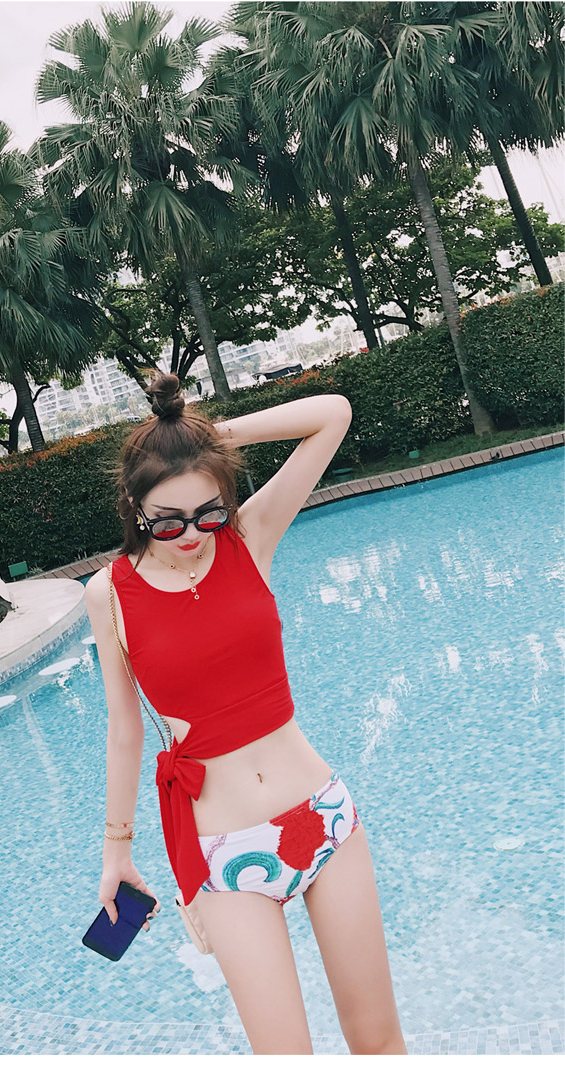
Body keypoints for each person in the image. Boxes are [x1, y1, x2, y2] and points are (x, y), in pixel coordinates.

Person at [84, 372, 407, 1055]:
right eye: (167, 520)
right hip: (223, 852)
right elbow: (124, 729)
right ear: (135, 507)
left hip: (321, 817)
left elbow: (333, 414)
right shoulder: (108, 594)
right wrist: (117, 852)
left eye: (208, 512)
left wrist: (200, 441)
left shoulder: (248, 538)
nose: (191, 533)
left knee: (377, 1040)